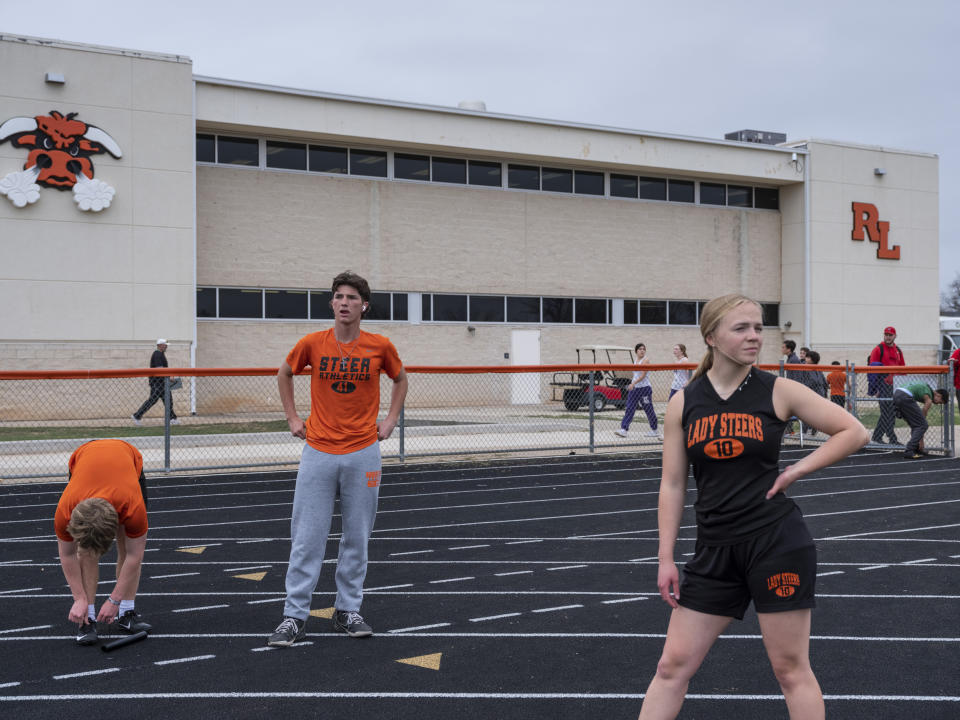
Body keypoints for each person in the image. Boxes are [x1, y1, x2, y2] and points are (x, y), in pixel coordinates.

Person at [637, 294, 869, 720]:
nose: (754, 337)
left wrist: (796, 470)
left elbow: (853, 431)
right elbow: (672, 484)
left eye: (759, 328)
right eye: (741, 328)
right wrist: (666, 557)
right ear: (711, 337)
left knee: (790, 670)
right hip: (714, 550)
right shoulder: (684, 403)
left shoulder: (778, 390)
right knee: (671, 667)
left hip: (775, 543)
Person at [268, 271, 408, 647]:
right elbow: (284, 373)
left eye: (351, 297)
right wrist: (293, 418)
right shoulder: (313, 343)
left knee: (356, 537)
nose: (344, 302)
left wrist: (391, 419)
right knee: (307, 538)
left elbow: (400, 378)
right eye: (338, 296)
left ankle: (347, 610)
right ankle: (294, 616)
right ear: (331, 304)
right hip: (319, 450)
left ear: (364, 305)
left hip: (363, 451)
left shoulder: (379, 346)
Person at [55, 439, 153, 645]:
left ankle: (126, 613)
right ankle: (87, 617)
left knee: (127, 545)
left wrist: (115, 600)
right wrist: (79, 598)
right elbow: (67, 554)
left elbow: (136, 555)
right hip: (85, 456)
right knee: (86, 550)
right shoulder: (65, 510)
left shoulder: (133, 508)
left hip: (126, 457)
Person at [614, 343, 660, 439]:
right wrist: (632, 383)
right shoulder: (636, 360)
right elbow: (635, 375)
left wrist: (633, 384)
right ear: (636, 351)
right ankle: (624, 429)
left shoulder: (645, 360)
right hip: (635, 389)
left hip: (644, 388)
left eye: (643, 349)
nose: (642, 350)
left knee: (648, 409)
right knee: (630, 408)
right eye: (640, 349)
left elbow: (643, 376)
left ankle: (654, 430)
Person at [892, 382, 948, 460]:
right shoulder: (929, 397)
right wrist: (921, 441)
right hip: (905, 396)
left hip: (897, 394)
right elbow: (922, 419)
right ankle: (910, 450)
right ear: (939, 395)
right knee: (923, 425)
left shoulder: (926, 388)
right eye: (940, 402)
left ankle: (915, 448)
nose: (938, 404)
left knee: (915, 425)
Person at [868, 326, 905, 444]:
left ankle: (877, 437)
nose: (888, 337)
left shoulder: (898, 350)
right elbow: (872, 370)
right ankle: (892, 438)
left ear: (895, 336)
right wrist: (875, 388)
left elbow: (903, 369)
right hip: (882, 385)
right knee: (886, 412)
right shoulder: (878, 349)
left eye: (890, 335)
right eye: (886, 335)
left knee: (892, 411)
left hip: (895, 385)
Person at [132, 338, 178, 425]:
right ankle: (137, 416)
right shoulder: (157, 354)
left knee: (167, 400)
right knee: (153, 400)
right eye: (165, 345)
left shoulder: (160, 354)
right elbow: (159, 369)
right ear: (160, 345)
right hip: (157, 383)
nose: (166, 347)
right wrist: (169, 376)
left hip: (162, 382)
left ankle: (172, 418)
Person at [802, 351, 829, 435]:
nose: (806, 359)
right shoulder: (803, 368)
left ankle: (814, 429)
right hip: (809, 395)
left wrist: (824, 393)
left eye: (808, 357)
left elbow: (823, 382)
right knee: (807, 413)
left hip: (819, 394)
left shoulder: (817, 369)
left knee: (817, 414)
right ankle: (804, 430)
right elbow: (806, 382)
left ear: (813, 359)